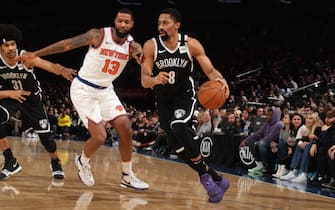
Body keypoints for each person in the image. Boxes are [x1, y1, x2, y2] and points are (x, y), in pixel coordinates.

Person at [23, 8, 149, 189]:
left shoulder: (132, 46)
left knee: (126, 129)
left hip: (106, 90)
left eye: (126, 22)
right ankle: (82, 161)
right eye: (120, 20)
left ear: (132, 24)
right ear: (114, 21)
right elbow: (66, 44)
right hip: (84, 89)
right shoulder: (98, 35)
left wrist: (141, 58)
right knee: (100, 137)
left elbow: (140, 53)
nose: (122, 24)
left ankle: (127, 175)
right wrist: (36, 54)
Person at [141, 8, 229, 203]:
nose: (160, 27)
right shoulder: (151, 46)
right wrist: (154, 79)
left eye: (165, 23)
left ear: (177, 25)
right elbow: (144, 80)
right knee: (178, 148)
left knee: (178, 125)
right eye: (159, 23)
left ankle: (205, 179)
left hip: (184, 96)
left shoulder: (190, 44)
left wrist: (221, 81)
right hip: (163, 100)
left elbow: (210, 70)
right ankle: (215, 177)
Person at [0, 24, 76, 180]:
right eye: (6, 45)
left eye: (13, 44)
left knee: (46, 139)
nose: (11, 48)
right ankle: (10, 162)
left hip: (31, 100)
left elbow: (49, 65)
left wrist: (62, 71)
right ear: (1, 47)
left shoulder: (25, 57)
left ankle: (55, 161)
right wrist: (9, 93)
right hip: (11, 97)